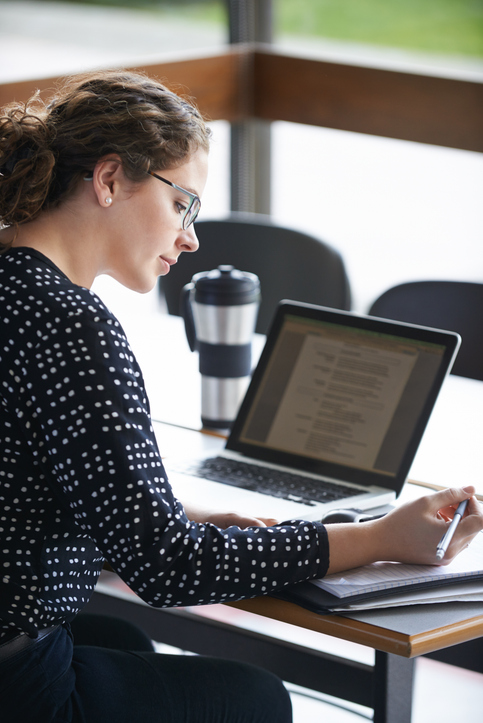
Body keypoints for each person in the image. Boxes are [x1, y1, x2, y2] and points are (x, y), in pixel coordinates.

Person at [0, 70, 481, 723]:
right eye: (181, 204)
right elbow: (168, 570)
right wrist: (375, 538)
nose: (190, 237)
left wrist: (177, 512)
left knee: (124, 641)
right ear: (110, 180)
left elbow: (29, 487)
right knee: (253, 698)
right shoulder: (74, 329)